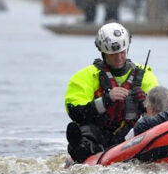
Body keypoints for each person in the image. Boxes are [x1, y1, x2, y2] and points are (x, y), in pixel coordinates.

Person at [64, 22, 159, 163]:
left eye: (122, 52)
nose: (119, 57)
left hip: (133, 133)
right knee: (86, 133)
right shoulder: (86, 76)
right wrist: (105, 100)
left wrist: (143, 102)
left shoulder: (145, 75)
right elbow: (75, 112)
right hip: (99, 132)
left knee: (147, 127)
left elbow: (158, 110)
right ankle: (79, 147)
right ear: (103, 52)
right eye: (113, 54)